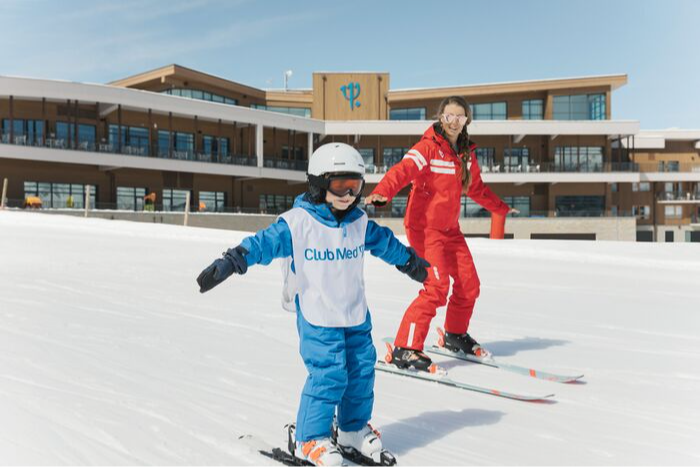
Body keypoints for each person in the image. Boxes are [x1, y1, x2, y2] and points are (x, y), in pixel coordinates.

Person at [197, 142, 429, 467]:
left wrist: (411, 263)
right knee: (329, 375)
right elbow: (263, 243)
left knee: (361, 371)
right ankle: (309, 439)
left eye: (355, 186)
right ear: (319, 184)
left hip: (355, 314)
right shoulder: (298, 223)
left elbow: (385, 243)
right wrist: (232, 261)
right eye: (339, 185)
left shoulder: (358, 222)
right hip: (319, 317)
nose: (348, 194)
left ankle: (351, 430)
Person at [365, 96, 519, 372]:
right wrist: (382, 192)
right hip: (425, 229)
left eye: (459, 117)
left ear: (466, 121)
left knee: (469, 284)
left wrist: (503, 208)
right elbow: (404, 170)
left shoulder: (466, 155)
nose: (453, 122)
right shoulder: (428, 147)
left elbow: (477, 190)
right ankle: (406, 348)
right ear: (440, 117)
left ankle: (455, 335)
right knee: (437, 286)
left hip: (450, 230)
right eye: (449, 116)